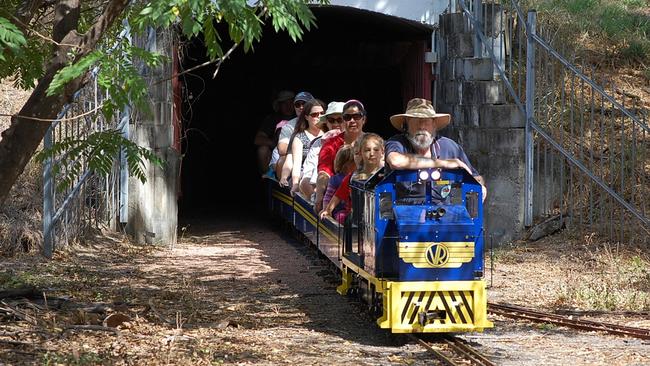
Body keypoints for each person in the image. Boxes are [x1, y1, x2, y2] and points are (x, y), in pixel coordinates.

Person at [384, 97, 486, 201]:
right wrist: (444, 163)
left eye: (426, 121)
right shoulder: (397, 143)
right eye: (416, 121)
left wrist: (480, 186)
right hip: (404, 213)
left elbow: (475, 177)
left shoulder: (449, 147)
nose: (422, 126)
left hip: (444, 213)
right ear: (406, 124)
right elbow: (395, 161)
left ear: (434, 125)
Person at [314, 99, 367, 212]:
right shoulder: (331, 144)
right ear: (343, 120)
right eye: (347, 117)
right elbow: (324, 173)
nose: (352, 121)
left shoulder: (372, 143)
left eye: (357, 116)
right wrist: (319, 197)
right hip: (339, 198)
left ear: (364, 119)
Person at [320, 133, 385, 223]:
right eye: (367, 150)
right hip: (356, 220)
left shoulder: (385, 176)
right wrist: (328, 210)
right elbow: (339, 195)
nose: (372, 153)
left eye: (376, 150)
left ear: (382, 152)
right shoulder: (353, 177)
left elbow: (387, 204)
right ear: (360, 153)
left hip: (378, 219)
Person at [299, 101, 345, 198]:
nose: (336, 123)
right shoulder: (317, 144)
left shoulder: (359, 141)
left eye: (340, 119)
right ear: (326, 122)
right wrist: (319, 198)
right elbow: (308, 176)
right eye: (332, 120)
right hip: (323, 191)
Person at [279, 99, 326, 192]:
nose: (319, 117)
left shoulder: (329, 133)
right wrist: (295, 182)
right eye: (314, 115)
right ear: (306, 117)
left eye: (322, 113)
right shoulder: (299, 137)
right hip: (304, 174)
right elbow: (295, 163)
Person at [275, 91, 314, 178]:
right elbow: (282, 149)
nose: (301, 107)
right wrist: (303, 150)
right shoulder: (288, 125)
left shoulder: (321, 122)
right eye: (297, 104)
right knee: (282, 160)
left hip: (316, 159)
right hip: (296, 160)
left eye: (304, 104)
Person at [254, 90, 295, 173]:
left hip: (297, 151)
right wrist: (274, 143)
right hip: (277, 153)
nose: (288, 106)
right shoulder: (273, 119)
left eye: (291, 103)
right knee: (262, 150)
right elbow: (257, 139)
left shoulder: (300, 117)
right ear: (279, 105)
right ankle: (269, 176)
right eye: (284, 103)